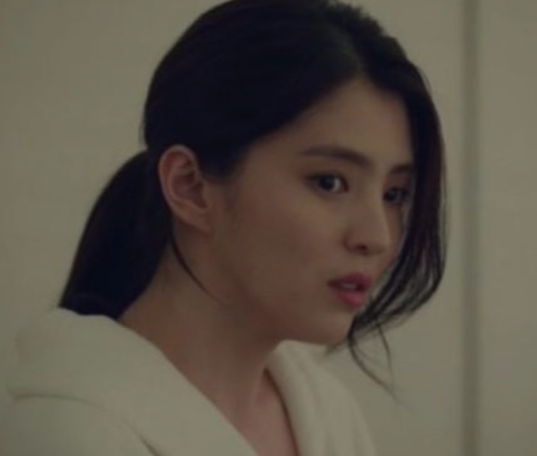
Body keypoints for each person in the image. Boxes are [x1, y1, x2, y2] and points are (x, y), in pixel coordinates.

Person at [0, 0, 445, 455]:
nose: (377, 237)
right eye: (329, 182)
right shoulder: (70, 435)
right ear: (190, 187)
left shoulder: (330, 413)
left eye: (394, 194)